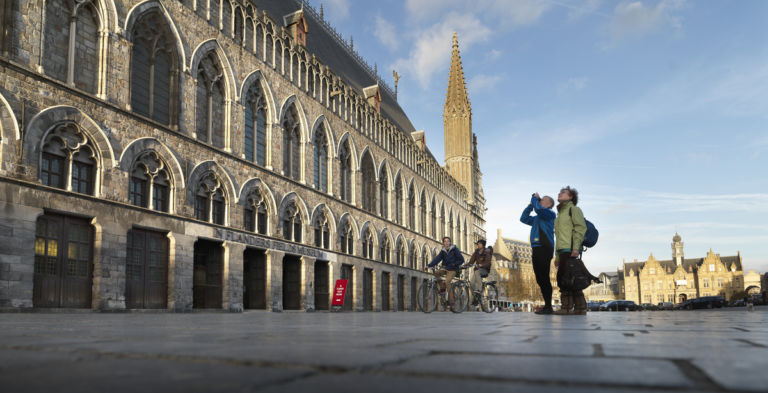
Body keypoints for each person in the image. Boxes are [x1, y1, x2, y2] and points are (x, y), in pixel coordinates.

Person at [553, 186, 587, 315]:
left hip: (570, 249)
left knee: (568, 279)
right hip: (562, 251)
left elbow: (580, 228)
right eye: (560, 191)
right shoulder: (559, 215)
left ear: (571, 197)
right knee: (567, 278)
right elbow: (558, 237)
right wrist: (556, 257)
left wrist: (576, 248)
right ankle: (579, 308)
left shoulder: (574, 209)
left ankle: (567, 308)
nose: (560, 193)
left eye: (563, 192)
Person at [520, 193, 556, 315]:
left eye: (543, 200)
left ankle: (548, 306)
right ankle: (547, 305)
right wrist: (530, 205)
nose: (540, 201)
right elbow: (523, 218)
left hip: (544, 247)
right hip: (536, 248)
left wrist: (534, 198)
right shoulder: (537, 217)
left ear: (549, 204)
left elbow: (539, 210)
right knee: (540, 278)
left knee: (544, 277)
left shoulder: (550, 214)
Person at [427, 237, 465, 306]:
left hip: (453, 269)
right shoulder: (443, 250)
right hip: (445, 268)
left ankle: (451, 301)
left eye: (448, 241)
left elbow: (461, 260)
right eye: (445, 241)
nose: (446, 243)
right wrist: (429, 265)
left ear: (450, 242)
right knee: (436, 273)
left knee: (447, 282)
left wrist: (455, 264)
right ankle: (442, 288)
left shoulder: (454, 249)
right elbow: (437, 259)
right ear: (443, 243)